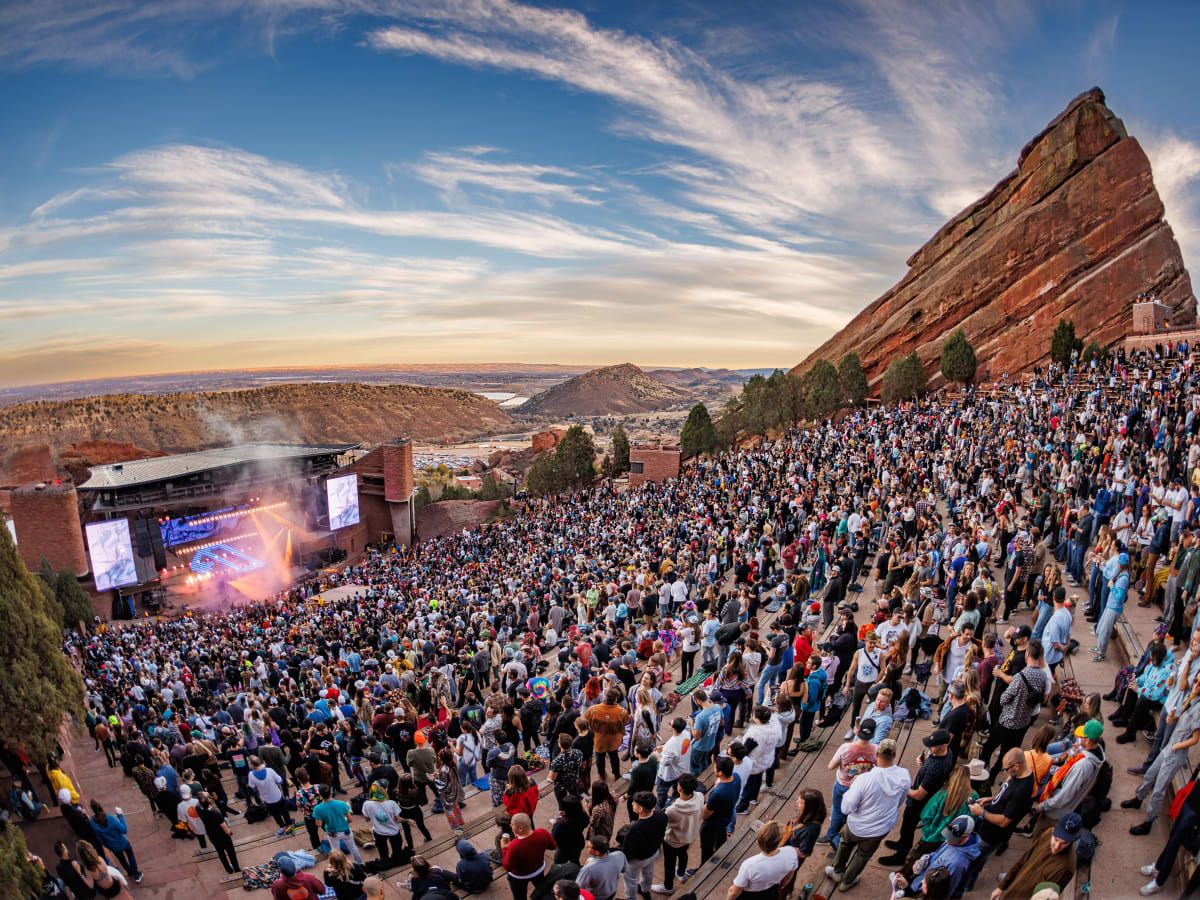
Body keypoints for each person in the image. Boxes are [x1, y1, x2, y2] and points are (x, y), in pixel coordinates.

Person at [826, 738, 911, 891]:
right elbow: (901, 800)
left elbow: (846, 808)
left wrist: (852, 787)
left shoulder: (864, 779)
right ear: (894, 755)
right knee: (863, 855)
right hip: (880, 827)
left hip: (857, 825)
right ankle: (847, 882)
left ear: (877, 754)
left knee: (845, 844)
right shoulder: (904, 775)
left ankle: (838, 872)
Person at [879, 729, 954, 866]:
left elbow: (919, 795)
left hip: (919, 804)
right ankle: (902, 843)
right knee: (906, 828)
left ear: (943, 745)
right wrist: (924, 763)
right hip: (930, 795)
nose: (930, 748)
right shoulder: (948, 754)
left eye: (933, 745)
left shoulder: (935, 768)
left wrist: (902, 787)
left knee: (908, 828)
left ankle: (901, 855)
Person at [963, 748, 1035, 892]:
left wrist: (981, 812)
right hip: (987, 824)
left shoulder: (1021, 791)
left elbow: (1004, 821)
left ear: (1016, 766)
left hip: (992, 834)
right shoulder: (1017, 774)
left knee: (977, 858)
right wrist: (991, 800)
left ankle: (968, 883)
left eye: (1005, 769)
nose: (1004, 771)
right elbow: (1005, 794)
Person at [989, 811, 1082, 899]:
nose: (1057, 846)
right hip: (1011, 890)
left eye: (1064, 843)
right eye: (1056, 839)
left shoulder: (1067, 868)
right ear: (1054, 829)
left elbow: (1047, 896)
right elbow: (1024, 859)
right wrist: (1001, 887)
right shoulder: (1048, 833)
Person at [819, 719, 878, 850]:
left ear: (858, 730)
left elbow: (830, 766)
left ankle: (831, 836)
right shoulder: (875, 750)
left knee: (837, 811)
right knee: (854, 812)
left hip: (843, 784)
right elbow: (879, 768)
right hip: (861, 787)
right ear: (873, 734)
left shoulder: (845, 747)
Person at [891, 815, 981, 899]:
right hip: (920, 885)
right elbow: (938, 852)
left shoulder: (958, 863)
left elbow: (945, 892)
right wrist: (926, 858)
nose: (948, 840)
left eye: (953, 837)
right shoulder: (955, 840)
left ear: (966, 836)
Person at [654, 773, 702, 894]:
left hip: (673, 840)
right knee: (683, 854)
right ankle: (681, 873)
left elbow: (664, 821)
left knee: (669, 863)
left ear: (679, 788)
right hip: (689, 836)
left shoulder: (673, 810)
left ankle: (668, 887)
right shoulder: (700, 797)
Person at [727, 820, 799, 900]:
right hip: (771, 891)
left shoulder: (749, 865)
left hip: (750, 895)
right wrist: (780, 886)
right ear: (779, 840)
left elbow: (734, 891)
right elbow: (788, 878)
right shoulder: (791, 852)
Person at [501, 813, 557, 900]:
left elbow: (507, 866)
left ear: (520, 829)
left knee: (519, 897)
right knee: (542, 891)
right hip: (538, 870)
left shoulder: (513, 846)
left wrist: (504, 849)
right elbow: (553, 846)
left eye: (512, 825)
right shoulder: (543, 833)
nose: (511, 826)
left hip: (519, 877)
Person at [622, 791, 667, 900]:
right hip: (653, 852)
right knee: (648, 872)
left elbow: (628, 852)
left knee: (631, 880)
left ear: (641, 809)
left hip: (638, 860)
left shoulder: (634, 829)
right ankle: (645, 890)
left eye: (634, 803)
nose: (632, 804)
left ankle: (630, 898)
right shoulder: (661, 815)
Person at [88, 801, 142, 884]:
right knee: (130, 855)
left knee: (121, 859)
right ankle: (136, 874)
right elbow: (124, 830)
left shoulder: (93, 823)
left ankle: (130, 872)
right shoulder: (110, 818)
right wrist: (120, 816)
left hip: (112, 846)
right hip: (123, 842)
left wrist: (108, 846)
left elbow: (100, 839)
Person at [700, 756, 740, 862]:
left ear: (720, 773)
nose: (713, 770)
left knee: (707, 849)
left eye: (715, 768)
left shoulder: (717, 793)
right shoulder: (736, 777)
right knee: (720, 840)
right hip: (726, 818)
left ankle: (704, 868)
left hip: (712, 824)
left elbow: (706, 814)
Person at [313, 783, 363, 865]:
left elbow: (318, 824)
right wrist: (343, 821)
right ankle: (360, 863)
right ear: (331, 792)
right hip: (345, 830)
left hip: (332, 832)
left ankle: (340, 866)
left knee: (336, 851)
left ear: (320, 795)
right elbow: (350, 820)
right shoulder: (342, 803)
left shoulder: (317, 809)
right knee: (353, 847)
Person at [1092, 553, 1130, 661]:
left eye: (1118, 562)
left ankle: (1101, 653)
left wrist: (1112, 587)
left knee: (1105, 631)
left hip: (1114, 608)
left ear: (1121, 564)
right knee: (1100, 628)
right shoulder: (1120, 573)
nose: (1117, 564)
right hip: (1110, 605)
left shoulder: (1123, 579)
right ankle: (1098, 647)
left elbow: (1119, 597)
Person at [585, 690, 629, 781]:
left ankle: (601, 775)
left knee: (600, 758)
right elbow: (625, 722)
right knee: (614, 757)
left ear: (605, 698)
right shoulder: (622, 711)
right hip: (614, 740)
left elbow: (585, 721)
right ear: (615, 699)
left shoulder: (593, 710)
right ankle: (616, 774)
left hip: (599, 740)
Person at [197, 790, 241, 875]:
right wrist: (230, 832)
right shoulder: (215, 813)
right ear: (209, 800)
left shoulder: (198, 808)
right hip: (223, 836)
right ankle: (236, 869)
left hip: (212, 835)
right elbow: (226, 829)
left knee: (221, 853)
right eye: (208, 796)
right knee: (231, 853)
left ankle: (228, 869)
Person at [248, 755, 294, 835]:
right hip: (277, 795)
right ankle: (289, 823)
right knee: (284, 810)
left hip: (267, 799)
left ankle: (282, 826)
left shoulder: (251, 775)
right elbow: (280, 781)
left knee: (275, 813)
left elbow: (253, 788)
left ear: (252, 765)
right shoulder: (269, 770)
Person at [362, 782, 405, 865]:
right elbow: (398, 819)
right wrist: (407, 820)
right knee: (397, 850)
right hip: (394, 831)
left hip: (379, 832)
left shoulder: (367, 804)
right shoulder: (392, 803)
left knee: (383, 852)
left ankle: (386, 863)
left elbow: (367, 819)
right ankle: (396, 861)